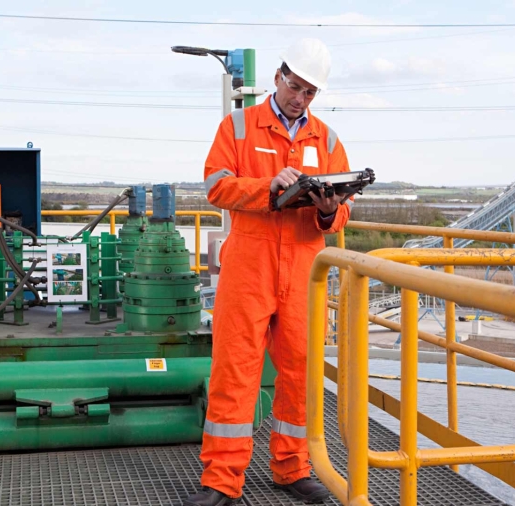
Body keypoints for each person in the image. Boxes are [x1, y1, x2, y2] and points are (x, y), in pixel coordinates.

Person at [184, 38, 352, 506]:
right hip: (250, 267)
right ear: (278, 77)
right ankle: (221, 479)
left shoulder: (328, 139)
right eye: (295, 86)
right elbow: (216, 186)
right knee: (235, 373)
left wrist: (327, 210)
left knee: (300, 373)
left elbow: (343, 215)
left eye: (309, 92)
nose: (300, 98)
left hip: (304, 267)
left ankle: (292, 467)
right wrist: (267, 186)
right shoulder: (238, 127)